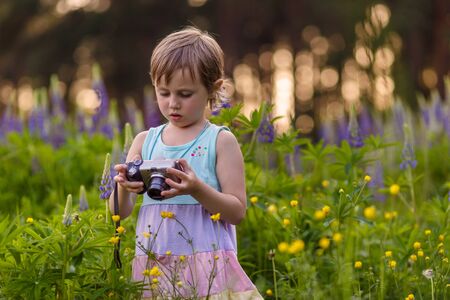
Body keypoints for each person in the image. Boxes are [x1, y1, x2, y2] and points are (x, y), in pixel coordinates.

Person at [110, 26, 262, 299]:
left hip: (207, 269)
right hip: (154, 266)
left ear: (213, 89)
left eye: (185, 94)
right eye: (163, 92)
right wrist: (122, 185)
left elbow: (237, 212)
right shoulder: (145, 141)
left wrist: (196, 189)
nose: (172, 104)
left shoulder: (220, 141)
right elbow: (119, 214)